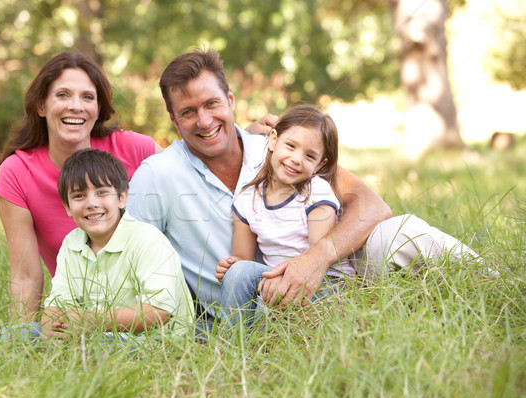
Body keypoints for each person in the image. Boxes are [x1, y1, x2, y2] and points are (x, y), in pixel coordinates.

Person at [127, 47, 482, 330]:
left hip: (334, 278)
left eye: (212, 104)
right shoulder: (157, 176)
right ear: (174, 120)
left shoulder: (275, 146)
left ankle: (498, 285)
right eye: (188, 112)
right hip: (255, 311)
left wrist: (315, 260)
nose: (204, 121)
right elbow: (127, 257)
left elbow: (372, 206)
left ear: (231, 100)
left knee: (405, 232)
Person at [0, 52, 161, 333]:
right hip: (80, 309)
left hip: (148, 306)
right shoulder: (17, 172)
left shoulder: (133, 148)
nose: (76, 107)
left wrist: (242, 139)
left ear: (98, 109)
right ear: (41, 106)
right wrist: (22, 341)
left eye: (87, 97)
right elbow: (25, 274)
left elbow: (188, 170)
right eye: (62, 95)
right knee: (13, 336)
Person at [215, 105, 354, 324]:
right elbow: (243, 260)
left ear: (320, 164)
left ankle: (267, 347)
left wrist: (281, 280)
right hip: (276, 281)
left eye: (310, 156)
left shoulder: (315, 191)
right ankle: (231, 342)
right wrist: (231, 268)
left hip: (326, 283)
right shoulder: (247, 199)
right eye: (290, 145)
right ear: (273, 140)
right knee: (241, 274)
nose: (297, 159)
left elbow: (317, 257)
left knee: (270, 300)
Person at [40, 149, 193, 345]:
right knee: (15, 334)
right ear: (67, 206)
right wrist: (49, 328)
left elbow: (158, 312)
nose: (91, 203)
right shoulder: (71, 244)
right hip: (93, 331)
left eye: (102, 192)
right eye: (79, 196)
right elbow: (57, 305)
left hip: (152, 340)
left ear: (122, 197)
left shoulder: (147, 240)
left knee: (100, 347)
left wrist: (92, 321)